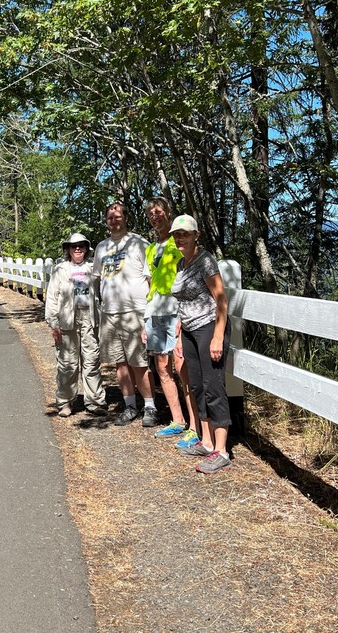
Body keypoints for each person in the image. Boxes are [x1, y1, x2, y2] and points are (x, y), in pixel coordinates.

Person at [170, 215, 232, 474]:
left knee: (212, 386)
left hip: (209, 328)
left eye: (185, 233)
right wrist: (180, 332)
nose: (180, 238)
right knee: (196, 386)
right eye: (176, 234)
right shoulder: (182, 264)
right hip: (190, 331)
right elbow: (184, 303)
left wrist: (217, 336)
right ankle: (206, 442)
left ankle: (222, 450)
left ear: (197, 234)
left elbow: (221, 300)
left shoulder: (205, 260)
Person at [93, 202, 157, 427]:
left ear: (126, 218)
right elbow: (98, 279)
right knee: (119, 363)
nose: (114, 220)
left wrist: (148, 315)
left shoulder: (139, 244)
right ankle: (130, 406)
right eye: (110, 217)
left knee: (139, 363)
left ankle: (150, 407)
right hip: (109, 313)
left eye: (118, 216)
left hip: (134, 312)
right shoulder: (101, 247)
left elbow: (151, 280)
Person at [142, 198, 199, 448]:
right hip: (155, 311)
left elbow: (189, 277)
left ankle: (196, 426)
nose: (155, 217)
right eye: (151, 214)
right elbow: (149, 282)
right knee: (162, 368)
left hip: (177, 312)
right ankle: (177, 420)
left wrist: (183, 316)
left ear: (168, 213)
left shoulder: (180, 243)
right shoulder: (151, 248)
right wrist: (147, 315)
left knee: (183, 368)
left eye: (159, 212)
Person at [45, 233, 107, 418]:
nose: (77, 249)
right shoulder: (60, 270)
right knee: (67, 363)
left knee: (91, 361)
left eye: (81, 245)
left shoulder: (93, 269)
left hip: (89, 318)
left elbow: (104, 291)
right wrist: (53, 323)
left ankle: (95, 402)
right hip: (66, 320)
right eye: (74, 246)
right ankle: (65, 402)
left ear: (87, 248)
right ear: (68, 250)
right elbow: (52, 297)